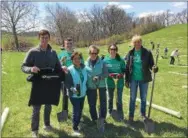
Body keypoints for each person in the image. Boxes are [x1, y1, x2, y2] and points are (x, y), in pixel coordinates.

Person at [21, 29, 65, 137]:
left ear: (49, 38)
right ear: (39, 38)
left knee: (48, 105)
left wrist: (62, 68)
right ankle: (34, 130)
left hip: (50, 84)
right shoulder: (33, 52)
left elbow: (58, 67)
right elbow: (23, 67)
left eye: (46, 38)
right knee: (36, 108)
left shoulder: (53, 53)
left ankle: (47, 124)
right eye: (42, 38)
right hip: (38, 84)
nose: (44, 40)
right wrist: (31, 69)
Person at [125, 35, 158, 124]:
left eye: (138, 42)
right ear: (133, 43)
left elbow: (152, 64)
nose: (137, 44)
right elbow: (127, 67)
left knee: (143, 98)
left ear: (141, 42)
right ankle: (131, 116)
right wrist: (127, 80)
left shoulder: (147, 52)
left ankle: (143, 115)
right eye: (135, 42)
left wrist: (154, 68)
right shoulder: (130, 53)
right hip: (133, 79)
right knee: (132, 98)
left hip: (144, 79)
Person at [58, 38, 84, 116]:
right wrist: (61, 62)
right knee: (65, 95)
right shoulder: (61, 54)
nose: (69, 45)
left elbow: (82, 64)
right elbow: (56, 66)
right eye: (67, 44)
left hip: (75, 78)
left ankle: (77, 111)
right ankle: (65, 112)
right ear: (64, 45)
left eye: (70, 44)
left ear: (72, 45)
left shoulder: (77, 54)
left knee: (75, 94)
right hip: (64, 78)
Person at [85, 45, 108, 129]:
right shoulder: (86, 62)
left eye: (95, 53)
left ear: (97, 53)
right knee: (92, 104)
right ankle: (94, 119)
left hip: (101, 86)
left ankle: (102, 118)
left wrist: (99, 77)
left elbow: (106, 74)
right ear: (89, 53)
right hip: (91, 87)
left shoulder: (102, 62)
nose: (93, 54)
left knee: (102, 103)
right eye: (91, 53)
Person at [65, 52, 87, 136]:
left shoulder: (83, 68)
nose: (77, 60)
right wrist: (72, 89)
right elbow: (67, 83)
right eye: (75, 59)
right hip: (74, 95)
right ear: (72, 60)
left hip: (82, 94)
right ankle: (75, 128)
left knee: (80, 110)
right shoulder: (69, 70)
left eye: (78, 58)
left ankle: (78, 123)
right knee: (76, 111)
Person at [103, 44, 125, 120]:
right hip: (109, 83)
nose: (113, 51)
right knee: (110, 98)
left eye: (114, 49)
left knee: (119, 98)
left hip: (119, 83)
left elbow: (124, 71)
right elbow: (104, 71)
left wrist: (120, 75)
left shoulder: (121, 60)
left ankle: (120, 112)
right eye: (111, 49)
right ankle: (110, 112)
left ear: (116, 50)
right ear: (109, 50)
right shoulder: (105, 60)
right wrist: (109, 74)